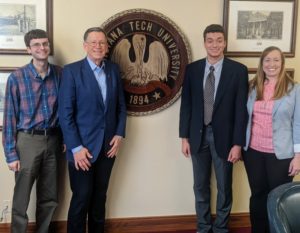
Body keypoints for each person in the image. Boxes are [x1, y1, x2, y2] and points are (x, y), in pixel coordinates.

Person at [179, 24, 248, 233]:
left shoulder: (238, 71)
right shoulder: (193, 69)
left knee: (224, 187)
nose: (215, 44)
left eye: (219, 40)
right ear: (204, 43)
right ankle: (203, 226)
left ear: (225, 42)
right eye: (210, 40)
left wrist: (238, 143)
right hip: (197, 136)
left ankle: (220, 228)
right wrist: (184, 137)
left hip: (226, 139)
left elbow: (240, 110)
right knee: (200, 186)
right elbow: (187, 105)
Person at [58, 27, 127, 233]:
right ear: (85, 46)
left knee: (99, 198)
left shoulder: (113, 70)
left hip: (107, 147)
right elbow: (65, 114)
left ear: (107, 47)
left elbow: (121, 107)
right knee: (81, 198)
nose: (98, 46)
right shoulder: (71, 71)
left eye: (102, 43)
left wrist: (119, 133)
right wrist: (76, 148)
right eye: (93, 42)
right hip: (82, 150)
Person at [2, 29, 63, 233]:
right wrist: (10, 154)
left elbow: (66, 110)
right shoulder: (17, 78)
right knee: (21, 197)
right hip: (27, 141)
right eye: (36, 45)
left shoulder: (61, 74)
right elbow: (9, 118)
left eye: (45, 44)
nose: (42, 48)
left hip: (53, 140)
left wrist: (65, 139)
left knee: (50, 196)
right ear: (29, 49)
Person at [243, 46, 300, 233]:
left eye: (276, 60)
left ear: (282, 63)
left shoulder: (295, 89)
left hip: (281, 155)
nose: (271, 64)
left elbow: (298, 124)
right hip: (253, 152)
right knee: (258, 195)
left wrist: (298, 156)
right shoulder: (252, 87)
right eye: (267, 60)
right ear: (262, 63)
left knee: (278, 198)